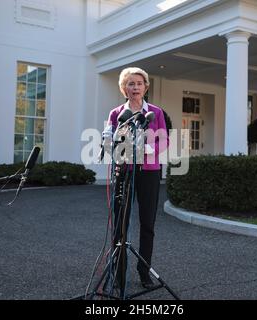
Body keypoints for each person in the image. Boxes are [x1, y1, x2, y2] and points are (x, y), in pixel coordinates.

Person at [106, 67, 168, 289]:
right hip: (124, 172)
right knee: (120, 224)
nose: (135, 87)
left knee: (147, 224)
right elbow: (110, 143)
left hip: (149, 173)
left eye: (139, 83)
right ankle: (118, 273)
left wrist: (147, 148)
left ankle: (144, 273)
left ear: (146, 87)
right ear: (124, 88)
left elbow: (165, 141)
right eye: (130, 83)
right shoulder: (116, 113)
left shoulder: (156, 112)